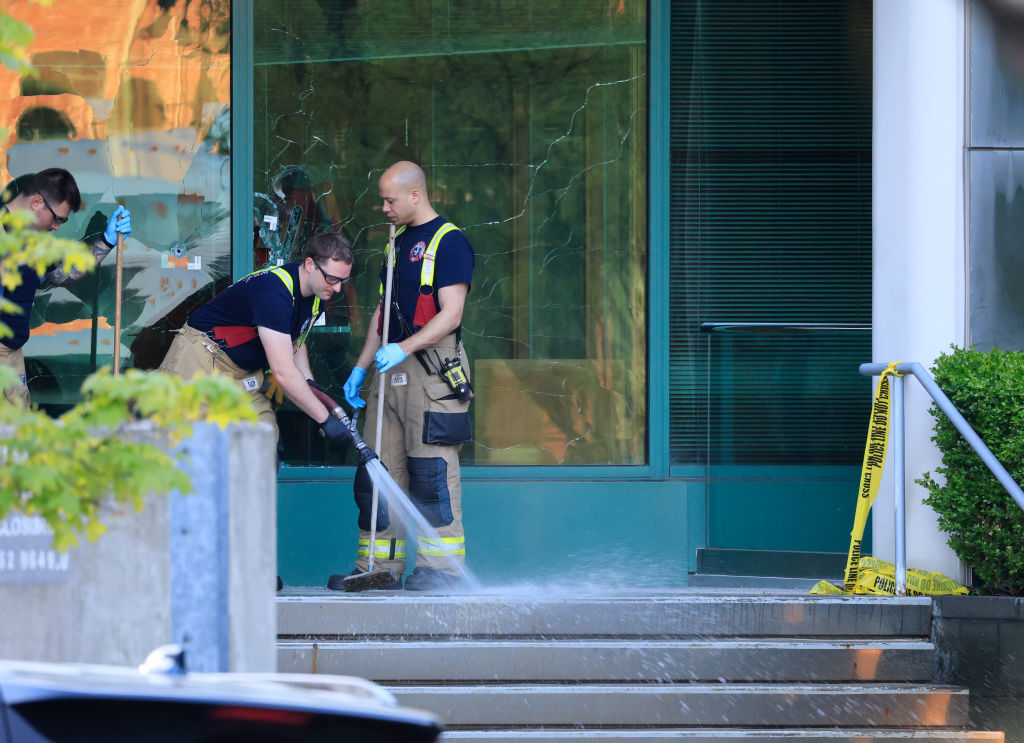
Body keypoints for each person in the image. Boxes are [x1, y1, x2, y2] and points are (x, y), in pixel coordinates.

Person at [333, 160, 475, 592]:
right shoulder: (395, 245)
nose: (383, 208)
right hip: (389, 372)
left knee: (431, 472)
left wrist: (404, 347)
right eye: (382, 199)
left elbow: (451, 314)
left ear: (415, 195)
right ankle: (378, 566)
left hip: (431, 371)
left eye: (390, 199)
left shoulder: (449, 243)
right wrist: (360, 367)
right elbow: (382, 311)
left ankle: (442, 571)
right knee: (377, 473)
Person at [157, 231, 356, 448]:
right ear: (310, 265)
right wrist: (325, 420)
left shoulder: (317, 297)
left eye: (342, 281)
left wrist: (309, 385)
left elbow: (294, 344)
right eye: (333, 278)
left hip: (243, 373)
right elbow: (283, 372)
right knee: (187, 449)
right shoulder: (274, 292)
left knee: (264, 445)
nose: (337, 288)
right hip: (202, 358)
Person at [0, 168, 132, 406]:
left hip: (11, 353)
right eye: (57, 219)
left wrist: (107, 240)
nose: (57, 227)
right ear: (37, 203)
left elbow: (60, 275)